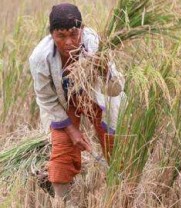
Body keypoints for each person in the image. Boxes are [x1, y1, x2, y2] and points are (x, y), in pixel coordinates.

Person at [29, 3, 125, 204]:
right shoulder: (40, 58)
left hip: (93, 96)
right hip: (62, 104)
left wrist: (104, 68)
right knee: (63, 147)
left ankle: (121, 190)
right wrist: (72, 131)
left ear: (82, 29)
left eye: (74, 34)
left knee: (114, 142)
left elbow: (115, 89)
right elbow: (46, 98)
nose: (68, 42)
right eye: (61, 36)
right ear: (51, 35)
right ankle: (62, 201)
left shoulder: (94, 44)